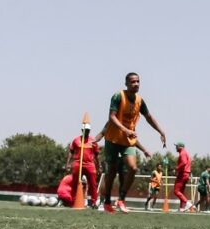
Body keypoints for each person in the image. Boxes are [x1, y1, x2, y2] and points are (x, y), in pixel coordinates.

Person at [99, 73, 168, 214]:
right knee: (111, 172)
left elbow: (149, 117)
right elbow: (111, 117)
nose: (136, 84)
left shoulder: (140, 101)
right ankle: (106, 202)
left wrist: (160, 131)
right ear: (126, 83)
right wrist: (125, 130)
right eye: (132, 82)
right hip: (112, 138)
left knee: (133, 167)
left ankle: (121, 200)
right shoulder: (118, 96)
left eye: (138, 82)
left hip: (127, 141)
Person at [67, 122, 100, 208]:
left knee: (93, 184)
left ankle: (94, 202)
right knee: (74, 183)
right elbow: (71, 151)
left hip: (90, 165)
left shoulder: (93, 141)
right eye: (85, 130)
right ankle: (73, 201)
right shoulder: (76, 140)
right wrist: (68, 163)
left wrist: (99, 166)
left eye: (88, 130)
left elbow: (97, 155)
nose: (87, 132)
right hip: (78, 164)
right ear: (82, 130)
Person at [173, 142, 194, 212]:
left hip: (182, 174)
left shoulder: (182, 153)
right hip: (186, 174)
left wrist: (177, 168)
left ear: (180, 147)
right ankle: (182, 208)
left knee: (176, 191)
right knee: (181, 192)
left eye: (176, 146)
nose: (175, 148)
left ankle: (188, 204)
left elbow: (184, 162)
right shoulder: (186, 153)